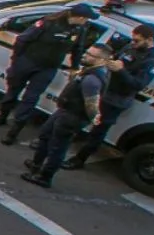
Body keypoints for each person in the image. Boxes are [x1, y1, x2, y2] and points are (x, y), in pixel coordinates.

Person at [0, 3, 96, 144]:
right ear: (80, 17)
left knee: (31, 98)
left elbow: (78, 49)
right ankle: (1, 115)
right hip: (27, 61)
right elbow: (23, 39)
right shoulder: (49, 22)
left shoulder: (79, 29)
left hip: (47, 68)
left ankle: (14, 131)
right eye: (86, 19)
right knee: (13, 91)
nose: (86, 22)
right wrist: (17, 60)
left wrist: (74, 67)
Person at [65, 23, 154, 170]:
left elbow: (138, 84)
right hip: (105, 89)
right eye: (133, 39)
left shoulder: (153, 61)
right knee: (78, 117)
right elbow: (115, 58)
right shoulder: (130, 47)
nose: (133, 43)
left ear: (149, 40)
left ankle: (80, 159)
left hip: (117, 99)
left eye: (137, 41)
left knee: (98, 130)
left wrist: (121, 70)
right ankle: (65, 142)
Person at [23, 44, 110, 189]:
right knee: (45, 135)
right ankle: (36, 164)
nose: (84, 55)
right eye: (86, 52)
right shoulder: (89, 72)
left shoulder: (92, 80)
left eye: (90, 55)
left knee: (57, 147)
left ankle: (45, 177)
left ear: (101, 60)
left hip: (71, 117)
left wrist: (91, 119)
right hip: (64, 111)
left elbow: (92, 105)